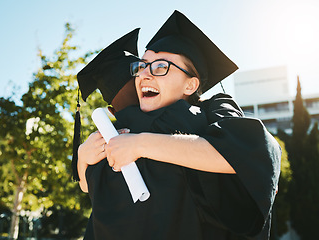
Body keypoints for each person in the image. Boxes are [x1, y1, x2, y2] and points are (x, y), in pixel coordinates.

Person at [77, 10, 281, 240]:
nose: (145, 74)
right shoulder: (117, 134)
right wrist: (83, 157)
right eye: (141, 66)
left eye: (161, 66)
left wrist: (139, 144)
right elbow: (90, 191)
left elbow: (248, 154)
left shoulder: (211, 111)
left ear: (191, 85)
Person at [71, 28, 140, 189]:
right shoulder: (180, 115)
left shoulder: (104, 141)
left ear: (112, 111)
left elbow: (85, 187)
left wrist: (81, 158)